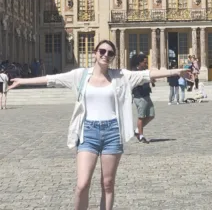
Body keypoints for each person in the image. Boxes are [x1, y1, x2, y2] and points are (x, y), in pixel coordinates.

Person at [8, 39, 188, 210]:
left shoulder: (121, 76)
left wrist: (175, 71)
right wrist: (22, 80)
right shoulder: (79, 75)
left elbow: (147, 74)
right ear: (95, 53)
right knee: (82, 184)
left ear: (113, 57)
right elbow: (52, 78)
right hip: (88, 132)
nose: (105, 55)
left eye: (110, 53)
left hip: (112, 133)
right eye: (102, 51)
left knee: (108, 183)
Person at [132, 54, 156, 143]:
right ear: (139, 62)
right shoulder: (134, 72)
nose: (146, 64)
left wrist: (151, 80)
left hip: (146, 94)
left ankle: (137, 130)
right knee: (141, 117)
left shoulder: (145, 71)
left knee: (151, 115)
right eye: (145, 62)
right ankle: (141, 136)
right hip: (139, 96)